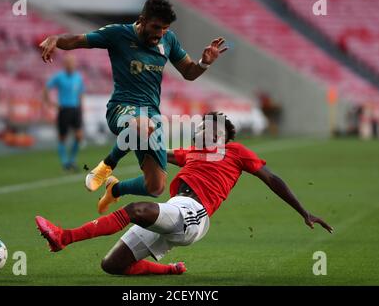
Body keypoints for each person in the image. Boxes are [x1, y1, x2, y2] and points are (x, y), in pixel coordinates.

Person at [35, 111, 333, 276]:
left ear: (222, 136)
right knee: (112, 265)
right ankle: (169, 271)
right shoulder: (191, 152)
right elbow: (156, 154)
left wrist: (303, 211)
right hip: (176, 210)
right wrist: (136, 138)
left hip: (195, 214)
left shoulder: (234, 151)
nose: (200, 130)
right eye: (200, 126)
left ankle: (64, 238)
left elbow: (272, 178)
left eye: (207, 127)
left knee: (137, 209)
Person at [39, 0, 228, 212]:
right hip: (122, 108)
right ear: (142, 20)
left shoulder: (169, 40)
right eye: (156, 27)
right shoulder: (118, 34)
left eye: (165, 28)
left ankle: (115, 189)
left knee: (155, 187)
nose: (160, 33)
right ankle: (107, 165)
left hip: (151, 117)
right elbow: (76, 40)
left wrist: (204, 63)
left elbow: (189, 73)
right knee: (140, 124)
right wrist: (55, 38)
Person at [43, 54, 85, 171]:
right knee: (62, 138)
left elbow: (81, 93)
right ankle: (65, 162)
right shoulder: (59, 77)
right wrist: (51, 103)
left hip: (75, 109)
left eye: (73, 62)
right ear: (65, 64)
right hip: (64, 110)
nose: (71, 64)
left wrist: (81, 108)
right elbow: (46, 88)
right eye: (69, 62)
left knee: (79, 136)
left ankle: (72, 160)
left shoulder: (78, 77)